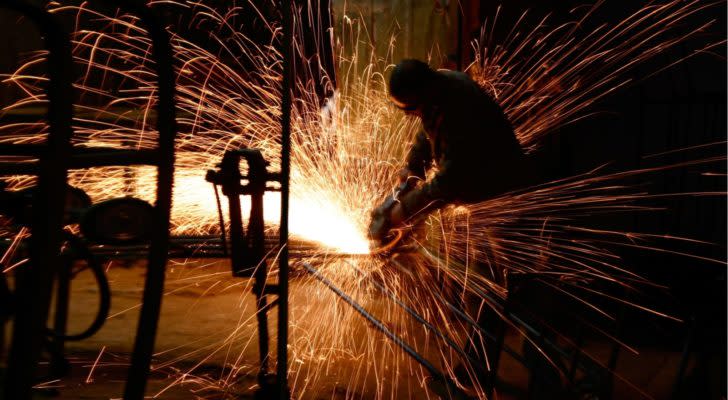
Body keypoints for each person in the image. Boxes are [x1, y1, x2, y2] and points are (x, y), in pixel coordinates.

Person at [368, 59, 529, 242]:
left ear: (422, 96)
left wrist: (404, 210)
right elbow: (429, 130)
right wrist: (414, 167)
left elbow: (450, 181)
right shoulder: (438, 89)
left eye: (411, 108)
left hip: (502, 195)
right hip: (482, 190)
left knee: (497, 260)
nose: (407, 114)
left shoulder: (459, 106)